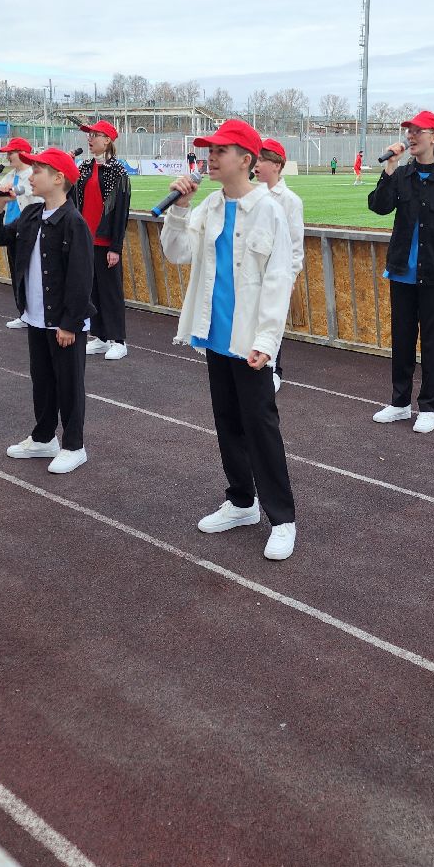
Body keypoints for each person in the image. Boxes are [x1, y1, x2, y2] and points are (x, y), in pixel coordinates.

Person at [163, 119, 298, 562]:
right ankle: (241, 501)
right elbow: (177, 253)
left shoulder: (269, 210)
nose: (211, 157)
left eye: (221, 150)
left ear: (246, 159)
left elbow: (278, 280)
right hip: (214, 336)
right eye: (210, 150)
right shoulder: (209, 206)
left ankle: (282, 519)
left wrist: (268, 340)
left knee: (261, 427)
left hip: (249, 341)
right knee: (227, 423)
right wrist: (180, 208)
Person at [0, 147, 95, 475]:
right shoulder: (32, 214)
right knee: (43, 381)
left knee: (69, 385)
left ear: (58, 178)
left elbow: (81, 277)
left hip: (63, 322)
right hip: (36, 316)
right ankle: (44, 437)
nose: (31, 176)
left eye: (38, 171)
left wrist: (70, 323)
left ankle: (74, 445)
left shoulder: (73, 222)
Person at [368, 110, 434, 435]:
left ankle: (429, 408)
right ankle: (400, 403)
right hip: (401, 273)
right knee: (402, 341)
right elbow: (379, 205)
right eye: (408, 131)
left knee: (432, 343)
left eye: (417, 131)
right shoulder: (402, 174)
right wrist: (389, 167)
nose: (411, 136)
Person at [72, 121, 132, 361]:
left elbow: (121, 212)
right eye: (89, 135)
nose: (90, 139)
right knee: (92, 290)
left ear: (107, 140)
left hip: (106, 241)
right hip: (86, 240)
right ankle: (100, 336)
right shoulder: (84, 168)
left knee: (111, 292)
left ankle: (118, 340)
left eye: (95, 135)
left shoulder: (118, 172)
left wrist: (115, 246)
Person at [254, 139, 304, 394]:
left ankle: (274, 370)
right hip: (252, 273)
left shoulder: (290, 201)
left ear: (277, 165)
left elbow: (295, 243)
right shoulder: (250, 196)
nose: (256, 165)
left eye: (262, 160)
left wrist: (291, 276)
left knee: (272, 320)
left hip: (276, 273)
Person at [0, 138, 36, 329]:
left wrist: (6, 190)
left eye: (11, 153)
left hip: (27, 231)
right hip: (11, 230)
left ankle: (31, 312)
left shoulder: (32, 174)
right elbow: (0, 196)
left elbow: (25, 191)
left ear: (23, 154)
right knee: (17, 274)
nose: (8, 157)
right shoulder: (11, 175)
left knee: (29, 273)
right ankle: (23, 312)